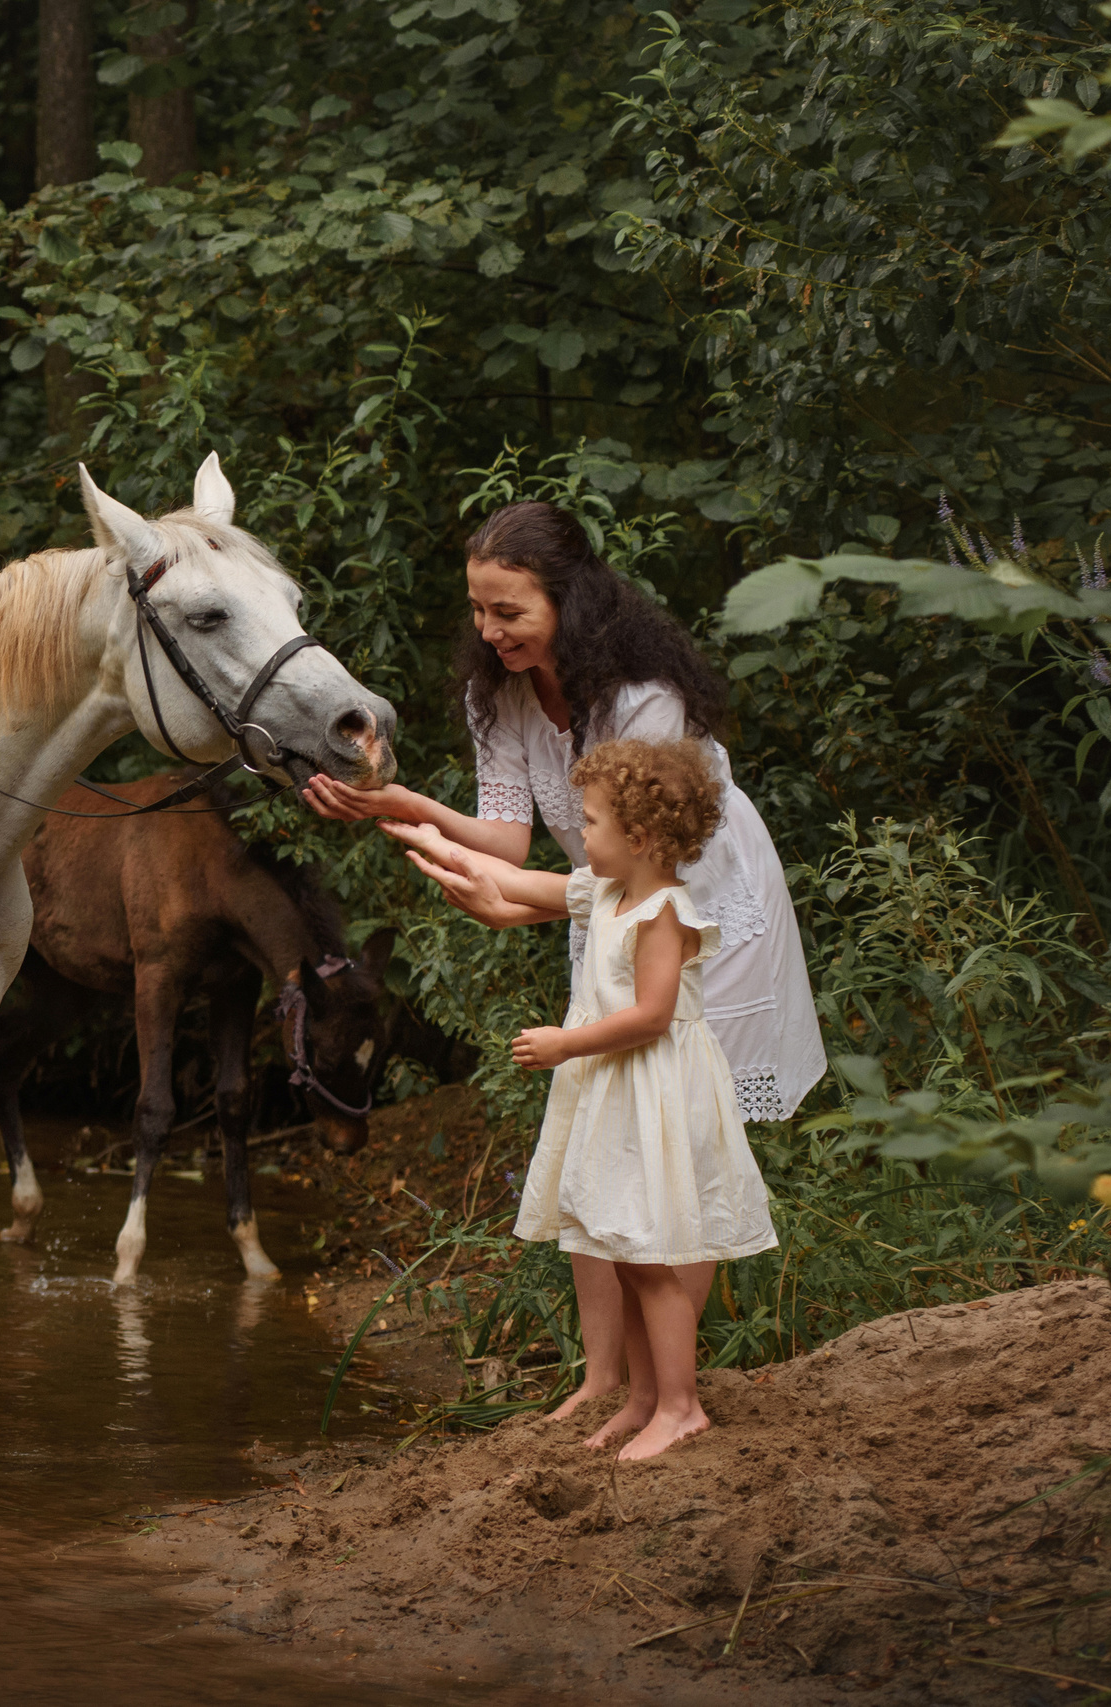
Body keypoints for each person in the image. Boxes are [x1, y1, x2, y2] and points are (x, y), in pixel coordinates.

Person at [301, 498, 821, 1418]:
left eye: (509, 611)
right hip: (604, 903)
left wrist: (522, 906)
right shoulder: (495, 691)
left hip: (698, 910)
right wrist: (396, 805)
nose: (488, 630)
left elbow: (646, 864)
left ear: (568, 601)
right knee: (608, 1144)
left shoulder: (640, 697)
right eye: (477, 609)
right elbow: (507, 842)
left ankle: (672, 1398)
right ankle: (608, 1386)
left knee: (671, 1153)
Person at [390, 739, 778, 1460]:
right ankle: (640, 1397)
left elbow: (655, 1014)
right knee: (623, 1248)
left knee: (653, 1255)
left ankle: (682, 1406)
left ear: (642, 838)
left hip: (654, 1089)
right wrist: (423, 831)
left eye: (592, 822)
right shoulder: (606, 892)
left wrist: (566, 1043)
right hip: (618, 1092)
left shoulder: (663, 910)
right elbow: (516, 880)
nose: (581, 835)